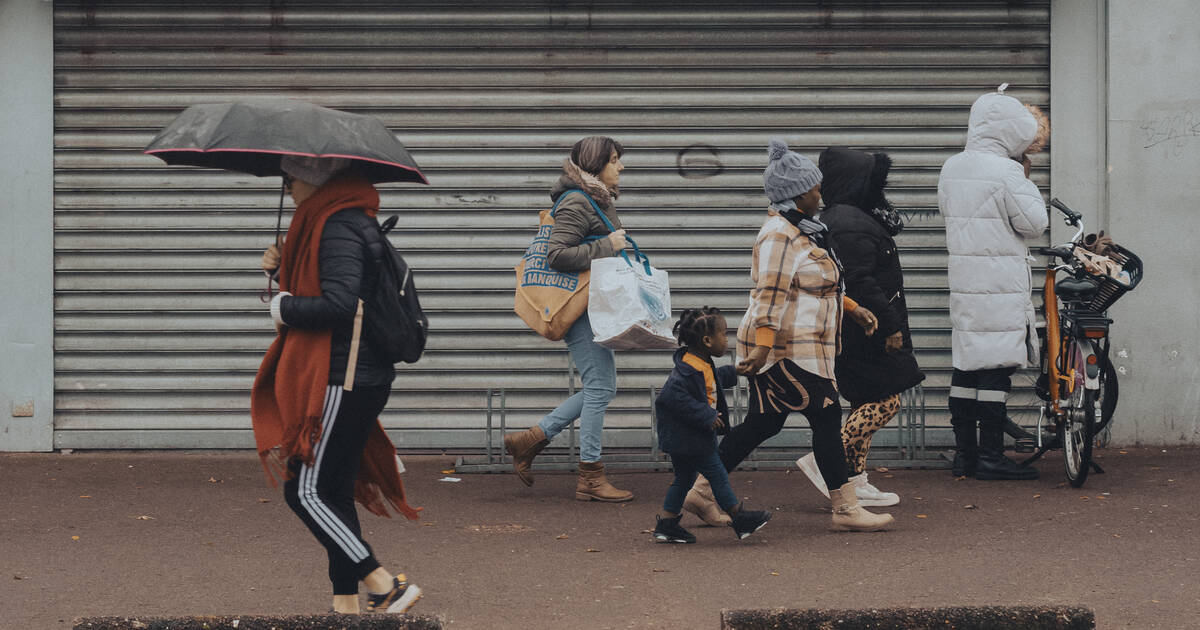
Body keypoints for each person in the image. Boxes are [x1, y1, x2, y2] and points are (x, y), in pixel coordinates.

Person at [684, 139, 893, 532]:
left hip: (804, 347)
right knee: (828, 417)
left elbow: (817, 284)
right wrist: (763, 349)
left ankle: (700, 491)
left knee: (764, 423)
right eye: (815, 188)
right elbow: (770, 294)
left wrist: (853, 309)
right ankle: (846, 509)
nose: (821, 193)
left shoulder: (807, 230)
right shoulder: (779, 234)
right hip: (786, 350)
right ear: (798, 195)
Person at [252, 156, 423, 614]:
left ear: (318, 177)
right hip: (355, 375)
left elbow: (340, 305)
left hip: (341, 376)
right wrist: (283, 266)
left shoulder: (337, 225)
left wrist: (283, 307)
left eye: (291, 177)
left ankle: (384, 584)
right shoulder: (343, 219)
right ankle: (345, 605)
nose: (287, 187)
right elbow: (339, 287)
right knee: (331, 491)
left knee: (303, 491)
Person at [503, 136, 634, 502]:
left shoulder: (592, 198)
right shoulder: (578, 201)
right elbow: (556, 255)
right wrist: (609, 246)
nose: (620, 167)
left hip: (591, 307)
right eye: (614, 161)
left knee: (602, 387)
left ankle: (530, 439)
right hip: (579, 311)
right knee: (599, 388)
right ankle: (590, 475)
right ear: (595, 166)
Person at [794, 147, 925, 507]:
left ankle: (854, 478)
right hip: (863, 328)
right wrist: (889, 325)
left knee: (866, 400)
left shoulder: (844, 217)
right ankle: (828, 462)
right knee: (886, 400)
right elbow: (860, 281)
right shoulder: (849, 223)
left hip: (856, 326)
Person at [938, 88, 1049, 480]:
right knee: (996, 371)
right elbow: (1035, 224)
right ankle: (990, 456)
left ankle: (964, 455)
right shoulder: (1005, 171)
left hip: (966, 282)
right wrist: (1025, 181)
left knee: (967, 367)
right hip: (999, 281)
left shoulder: (951, 167)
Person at [652, 307, 772, 543]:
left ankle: (666, 524)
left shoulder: (700, 363)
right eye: (724, 334)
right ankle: (740, 518)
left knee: (684, 480)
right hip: (690, 438)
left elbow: (711, 381)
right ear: (708, 340)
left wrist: (736, 371)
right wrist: (705, 415)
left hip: (686, 438)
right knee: (717, 474)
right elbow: (670, 397)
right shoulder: (687, 371)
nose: (727, 338)